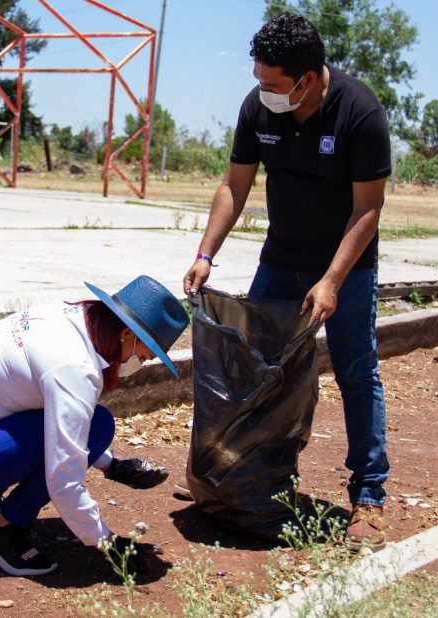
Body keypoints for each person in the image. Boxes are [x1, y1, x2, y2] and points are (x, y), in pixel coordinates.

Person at [183, 13, 390, 551]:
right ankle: (244, 480)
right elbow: (235, 185)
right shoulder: (258, 108)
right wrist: (207, 253)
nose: (262, 92)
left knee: (355, 371)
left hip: (347, 265)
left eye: (274, 84)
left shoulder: (359, 112)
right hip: (280, 260)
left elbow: (368, 211)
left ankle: (368, 494)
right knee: (256, 370)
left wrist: (332, 281)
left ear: (308, 77)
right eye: (259, 80)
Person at [0, 275, 189, 576]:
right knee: (98, 426)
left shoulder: (72, 317)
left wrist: (110, 466)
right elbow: (63, 479)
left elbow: (56, 419)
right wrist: (105, 542)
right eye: (143, 356)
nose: (139, 364)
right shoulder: (74, 368)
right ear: (126, 334)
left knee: (94, 424)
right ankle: (0, 528)